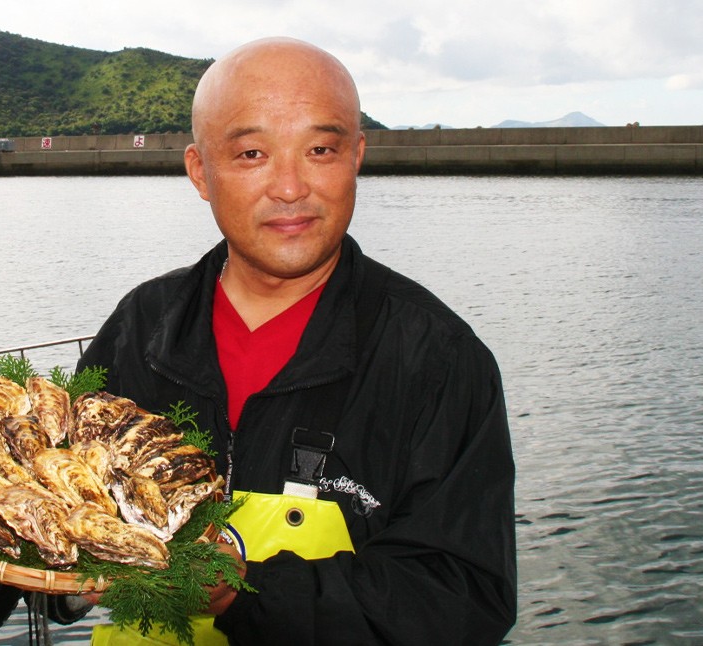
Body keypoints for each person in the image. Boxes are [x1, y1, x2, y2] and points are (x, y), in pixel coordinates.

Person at [77, 37, 516, 645]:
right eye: (252, 153)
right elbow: (61, 498)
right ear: (201, 171)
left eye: (320, 150)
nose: (290, 187)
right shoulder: (142, 325)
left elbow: (462, 596)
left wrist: (243, 592)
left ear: (356, 156)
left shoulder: (436, 359)